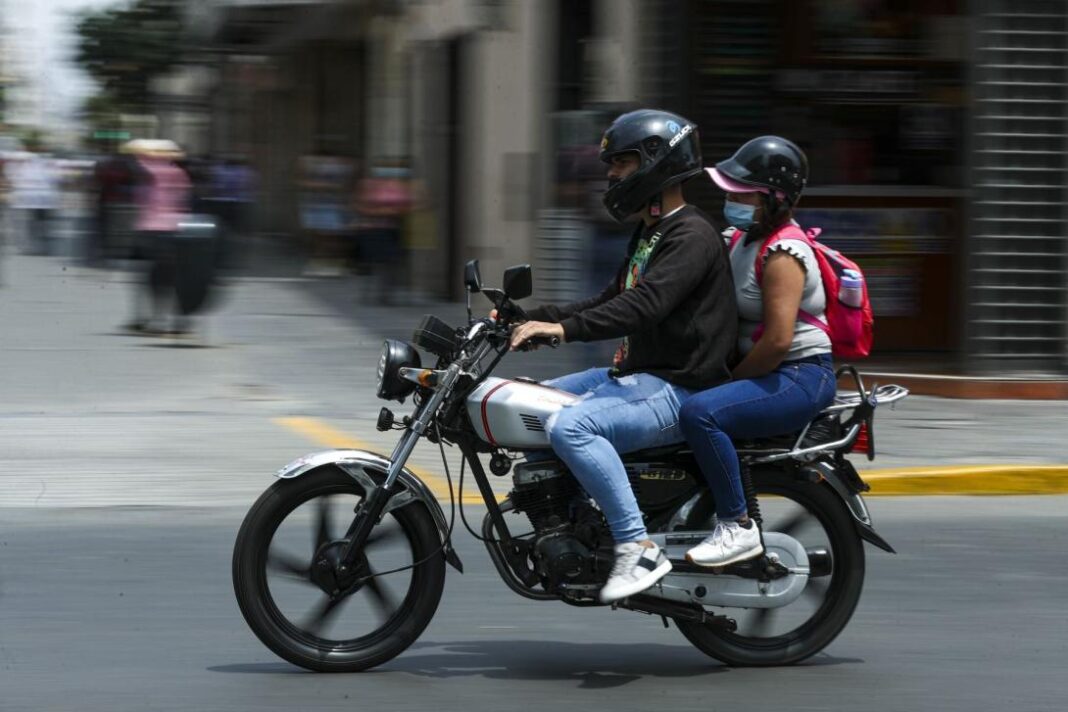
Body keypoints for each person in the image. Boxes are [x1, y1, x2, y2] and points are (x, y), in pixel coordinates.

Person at [510, 109, 737, 603]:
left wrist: (564, 329)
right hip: (639, 373)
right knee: (528, 404)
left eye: (622, 163)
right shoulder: (652, 232)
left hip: (678, 385)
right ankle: (575, 526)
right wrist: (528, 318)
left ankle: (637, 545)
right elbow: (610, 298)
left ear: (657, 162)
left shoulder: (691, 235)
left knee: (571, 427)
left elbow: (643, 306)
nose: (612, 175)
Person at [678, 137, 837, 567]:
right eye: (729, 190)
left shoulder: (785, 252)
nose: (730, 198)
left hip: (800, 376)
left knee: (701, 412)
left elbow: (778, 342)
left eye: (741, 192)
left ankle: (737, 524)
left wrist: (728, 381)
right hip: (771, 371)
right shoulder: (739, 238)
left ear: (774, 198)